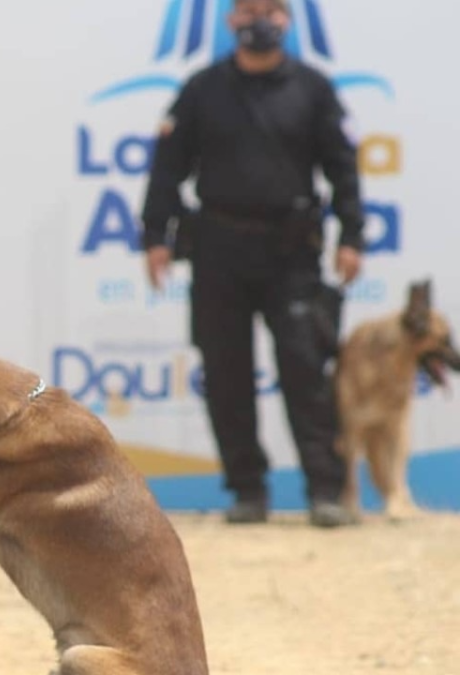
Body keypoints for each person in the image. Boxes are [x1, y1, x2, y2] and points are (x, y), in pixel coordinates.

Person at [140, 0, 363, 528]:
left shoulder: (313, 88)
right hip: (219, 249)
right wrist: (156, 235)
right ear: (229, 21)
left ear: (287, 20)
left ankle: (325, 491)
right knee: (225, 375)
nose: (259, 19)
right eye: (247, 9)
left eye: (270, 9)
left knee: (305, 371)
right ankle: (247, 491)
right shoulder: (202, 89)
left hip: (293, 254)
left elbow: (343, 169)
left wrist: (352, 235)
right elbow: (168, 168)